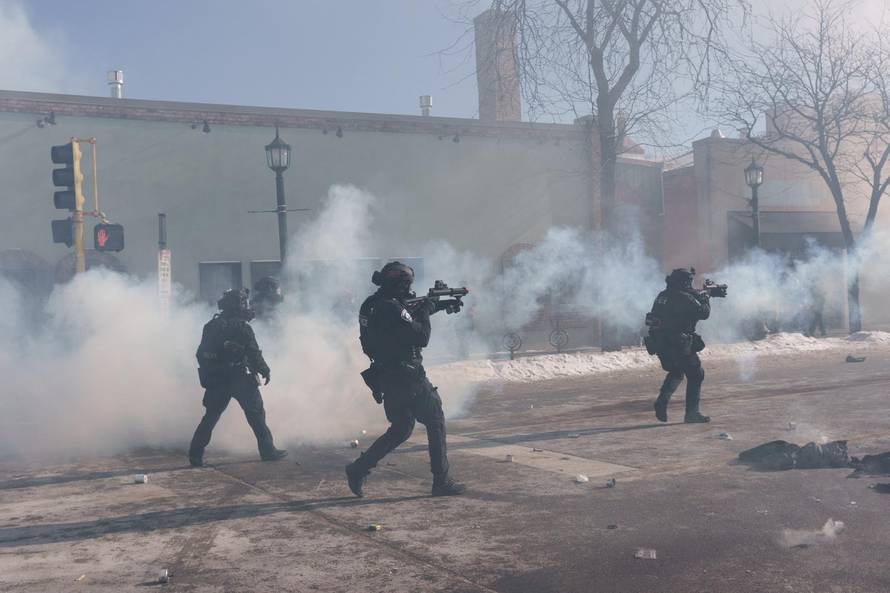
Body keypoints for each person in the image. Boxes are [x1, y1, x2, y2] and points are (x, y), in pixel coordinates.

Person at [346, 261, 465, 497]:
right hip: (408, 376)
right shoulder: (391, 307)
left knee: (401, 429)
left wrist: (437, 306)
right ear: (401, 283)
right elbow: (420, 336)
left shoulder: (372, 304)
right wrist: (427, 309)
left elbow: (404, 319)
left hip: (386, 376)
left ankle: (358, 468)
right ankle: (441, 481)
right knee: (436, 421)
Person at [189, 288, 287, 467]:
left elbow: (200, 354)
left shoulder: (210, 326)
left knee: (210, 418)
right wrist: (265, 370)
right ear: (239, 306)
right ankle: (268, 451)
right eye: (244, 303)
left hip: (217, 379)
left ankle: (195, 456)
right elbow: (254, 354)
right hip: (240, 378)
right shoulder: (243, 327)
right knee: (256, 415)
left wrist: (214, 369)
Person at [645, 268, 712, 424]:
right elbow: (704, 313)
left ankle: (662, 401)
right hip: (678, 343)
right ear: (683, 282)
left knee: (677, 371)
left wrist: (700, 294)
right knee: (696, 374)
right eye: (688, 282)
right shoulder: (684, 297)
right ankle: (692, 414)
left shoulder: (663, 295)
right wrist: (706, 297)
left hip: (661, 343)